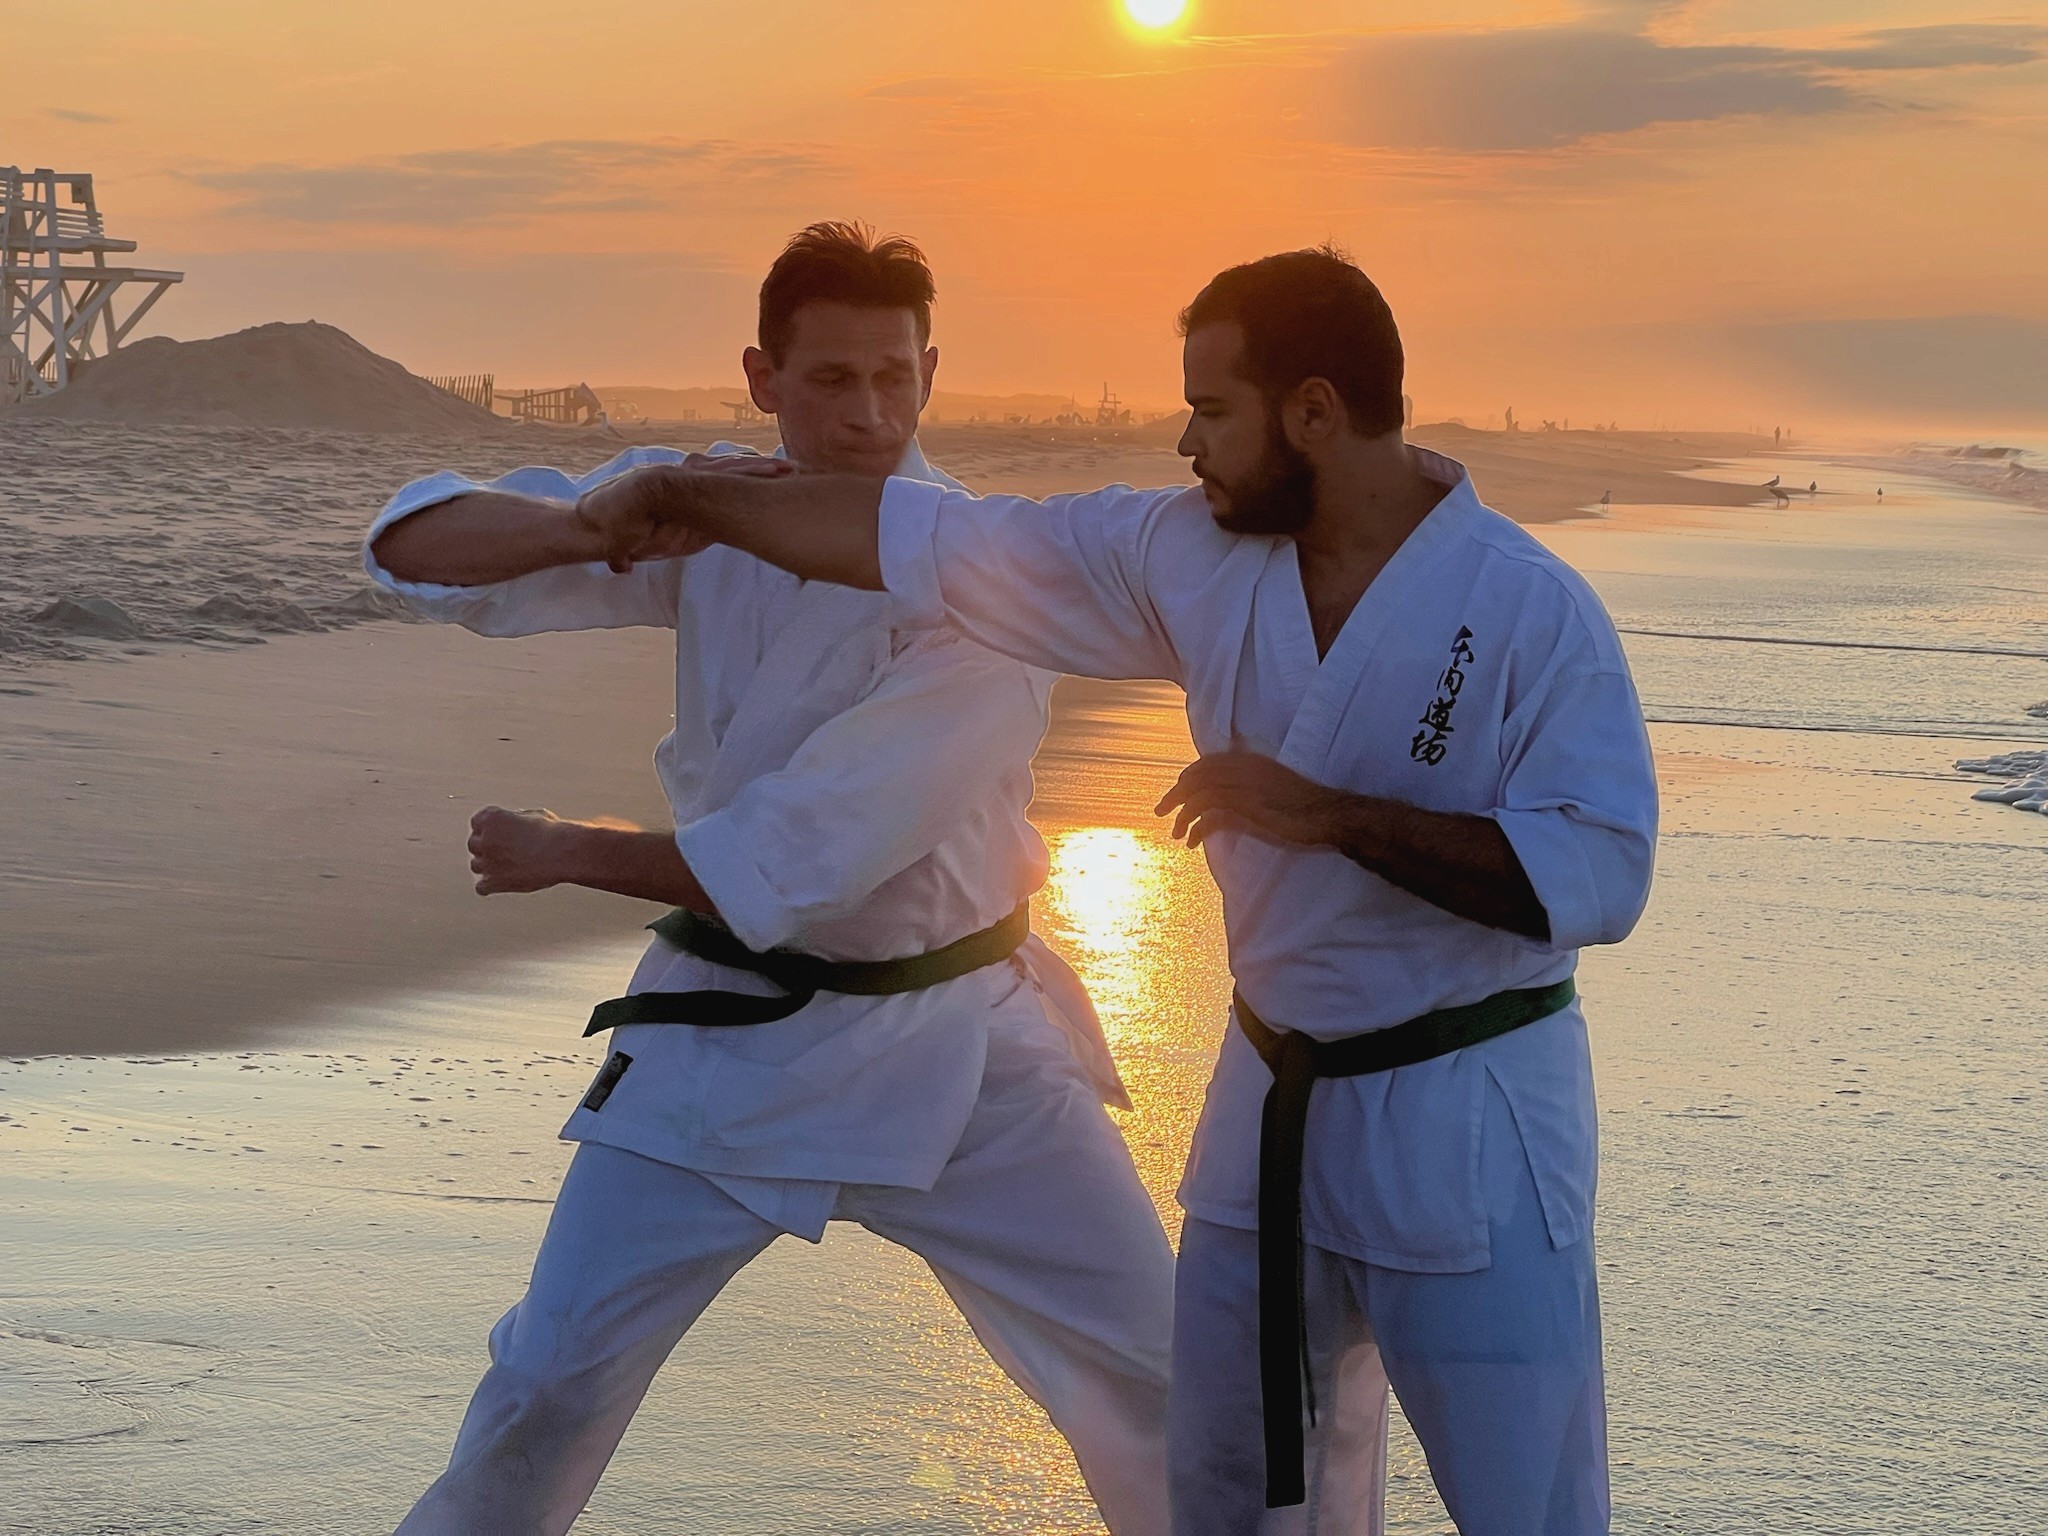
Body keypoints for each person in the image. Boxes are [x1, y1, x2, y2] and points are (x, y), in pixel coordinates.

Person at [580, 246, 1659, 1534]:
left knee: (1529, 1504)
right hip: (1268, 1105)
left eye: (1211, 409)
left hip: (1471, 1114)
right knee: (1225, 1496)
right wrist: (686, 496)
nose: (1184, 439)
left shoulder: (1530, 608)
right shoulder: (1192, 555)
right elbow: (931, 540)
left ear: (1313, 412)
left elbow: (1601, 872)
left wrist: (1327, 816)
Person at [364, 222, 1175, 1535]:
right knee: (544, 1390)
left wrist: (567, 851)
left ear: (931, 374)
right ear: (762, 377)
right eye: (832, 380)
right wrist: (588, 525)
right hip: (723, 1040)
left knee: (1165, 1385)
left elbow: (805, 852)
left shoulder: (987, 578)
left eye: (896, 378)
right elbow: (417, 553)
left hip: (965, 1048)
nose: (869, 415)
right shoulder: (710, 511)